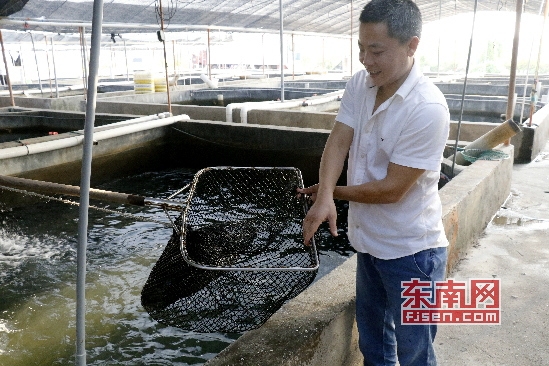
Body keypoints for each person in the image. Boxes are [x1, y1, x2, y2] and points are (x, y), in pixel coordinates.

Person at [298, 0, 450, 365]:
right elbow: (338, 139)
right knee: (374, 344)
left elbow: (393, 189)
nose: (366, 59)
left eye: (376, 50)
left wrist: (332, 193)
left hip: (413, 253)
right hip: (369, 245)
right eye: (361, 49)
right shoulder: (360, 84)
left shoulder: (427, 108)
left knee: (416, 352)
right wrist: (324, 199)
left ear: (411, 45)